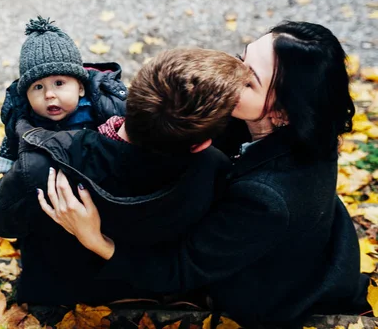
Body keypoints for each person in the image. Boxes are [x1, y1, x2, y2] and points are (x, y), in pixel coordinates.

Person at [40, 21, 371, 327]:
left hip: (266, 294)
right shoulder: (307, 125)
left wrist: (96, 240)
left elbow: (180, 268)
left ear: (283, 112)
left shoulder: (267, 198)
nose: (228, 75)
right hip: (309, 247)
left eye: (249, 80)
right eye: (240, 58)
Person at [0, 48, 251, 305]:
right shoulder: (212, 167)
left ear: (132, 94)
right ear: (201, 144)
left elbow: (4, 223)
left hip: (62, 292)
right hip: (151, 287)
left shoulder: (42, 168)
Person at [0, 16, 127, 174]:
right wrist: (7, 165)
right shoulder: (22, 117)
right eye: (38, 87)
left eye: (59, 83)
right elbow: (12, 142)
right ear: (27, 96)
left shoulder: (105, 105)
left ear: (80, 88)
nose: (49, 94)